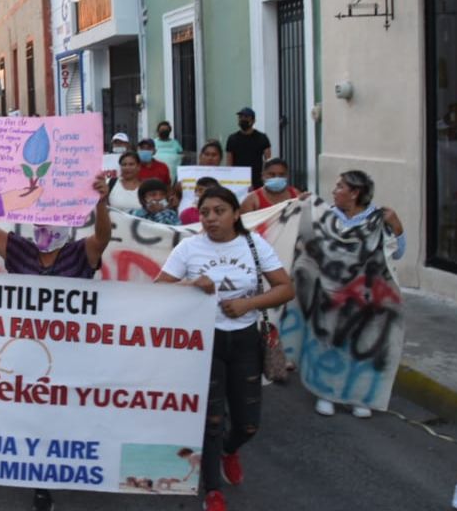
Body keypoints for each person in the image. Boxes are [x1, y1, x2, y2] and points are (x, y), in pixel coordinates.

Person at [0, 171, 112, 511]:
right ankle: (42, 484)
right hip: (30, 351)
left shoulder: (79, 252)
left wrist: (102, 202)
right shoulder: (19, 251)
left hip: (72, 351)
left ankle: (77, 460)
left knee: (67, 412)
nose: (48, 227)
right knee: (39, 416)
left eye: (55, 220)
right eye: (41, 220)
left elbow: (103, 237)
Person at [156, 186, 295, 511]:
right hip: (205, 343)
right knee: (212, 420)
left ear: (235, 214)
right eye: (205, 212)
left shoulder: (254, 244)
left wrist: (249, 304)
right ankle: (213, 491)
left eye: (219, 211)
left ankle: (231, 449)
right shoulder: (189, 248)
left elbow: (285, 288)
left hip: (246, 341)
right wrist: (190, 284)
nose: (211, 218)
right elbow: (158, 291)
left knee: (248, 423)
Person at [313, 170, 405, 419]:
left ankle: (359, 396)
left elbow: (396, 254)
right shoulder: (327, 217)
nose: (334, 190)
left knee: (364, 344)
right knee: (330, 341)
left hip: (367, 294)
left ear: (354, 193)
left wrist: (396, 226)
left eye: (340, 186)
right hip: (332, 292)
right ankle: (327, 394)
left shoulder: (378, 219)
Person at [226, 108, 272, 188]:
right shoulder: (232, 139)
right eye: (240, 117)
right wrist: (230, 178)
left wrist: (265, 176)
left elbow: (268, 160)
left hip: (257, 179)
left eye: (246, 117)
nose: (243, 119)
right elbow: (229, 162)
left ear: (253, 120)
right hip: (238, 179)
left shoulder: (262, 138)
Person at [240, 158, 307, 213]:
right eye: (272, 174)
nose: (277, 178)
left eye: (281, 174)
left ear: (287, 176)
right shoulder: (252, 200)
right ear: (263, 175)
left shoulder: (296, 195)